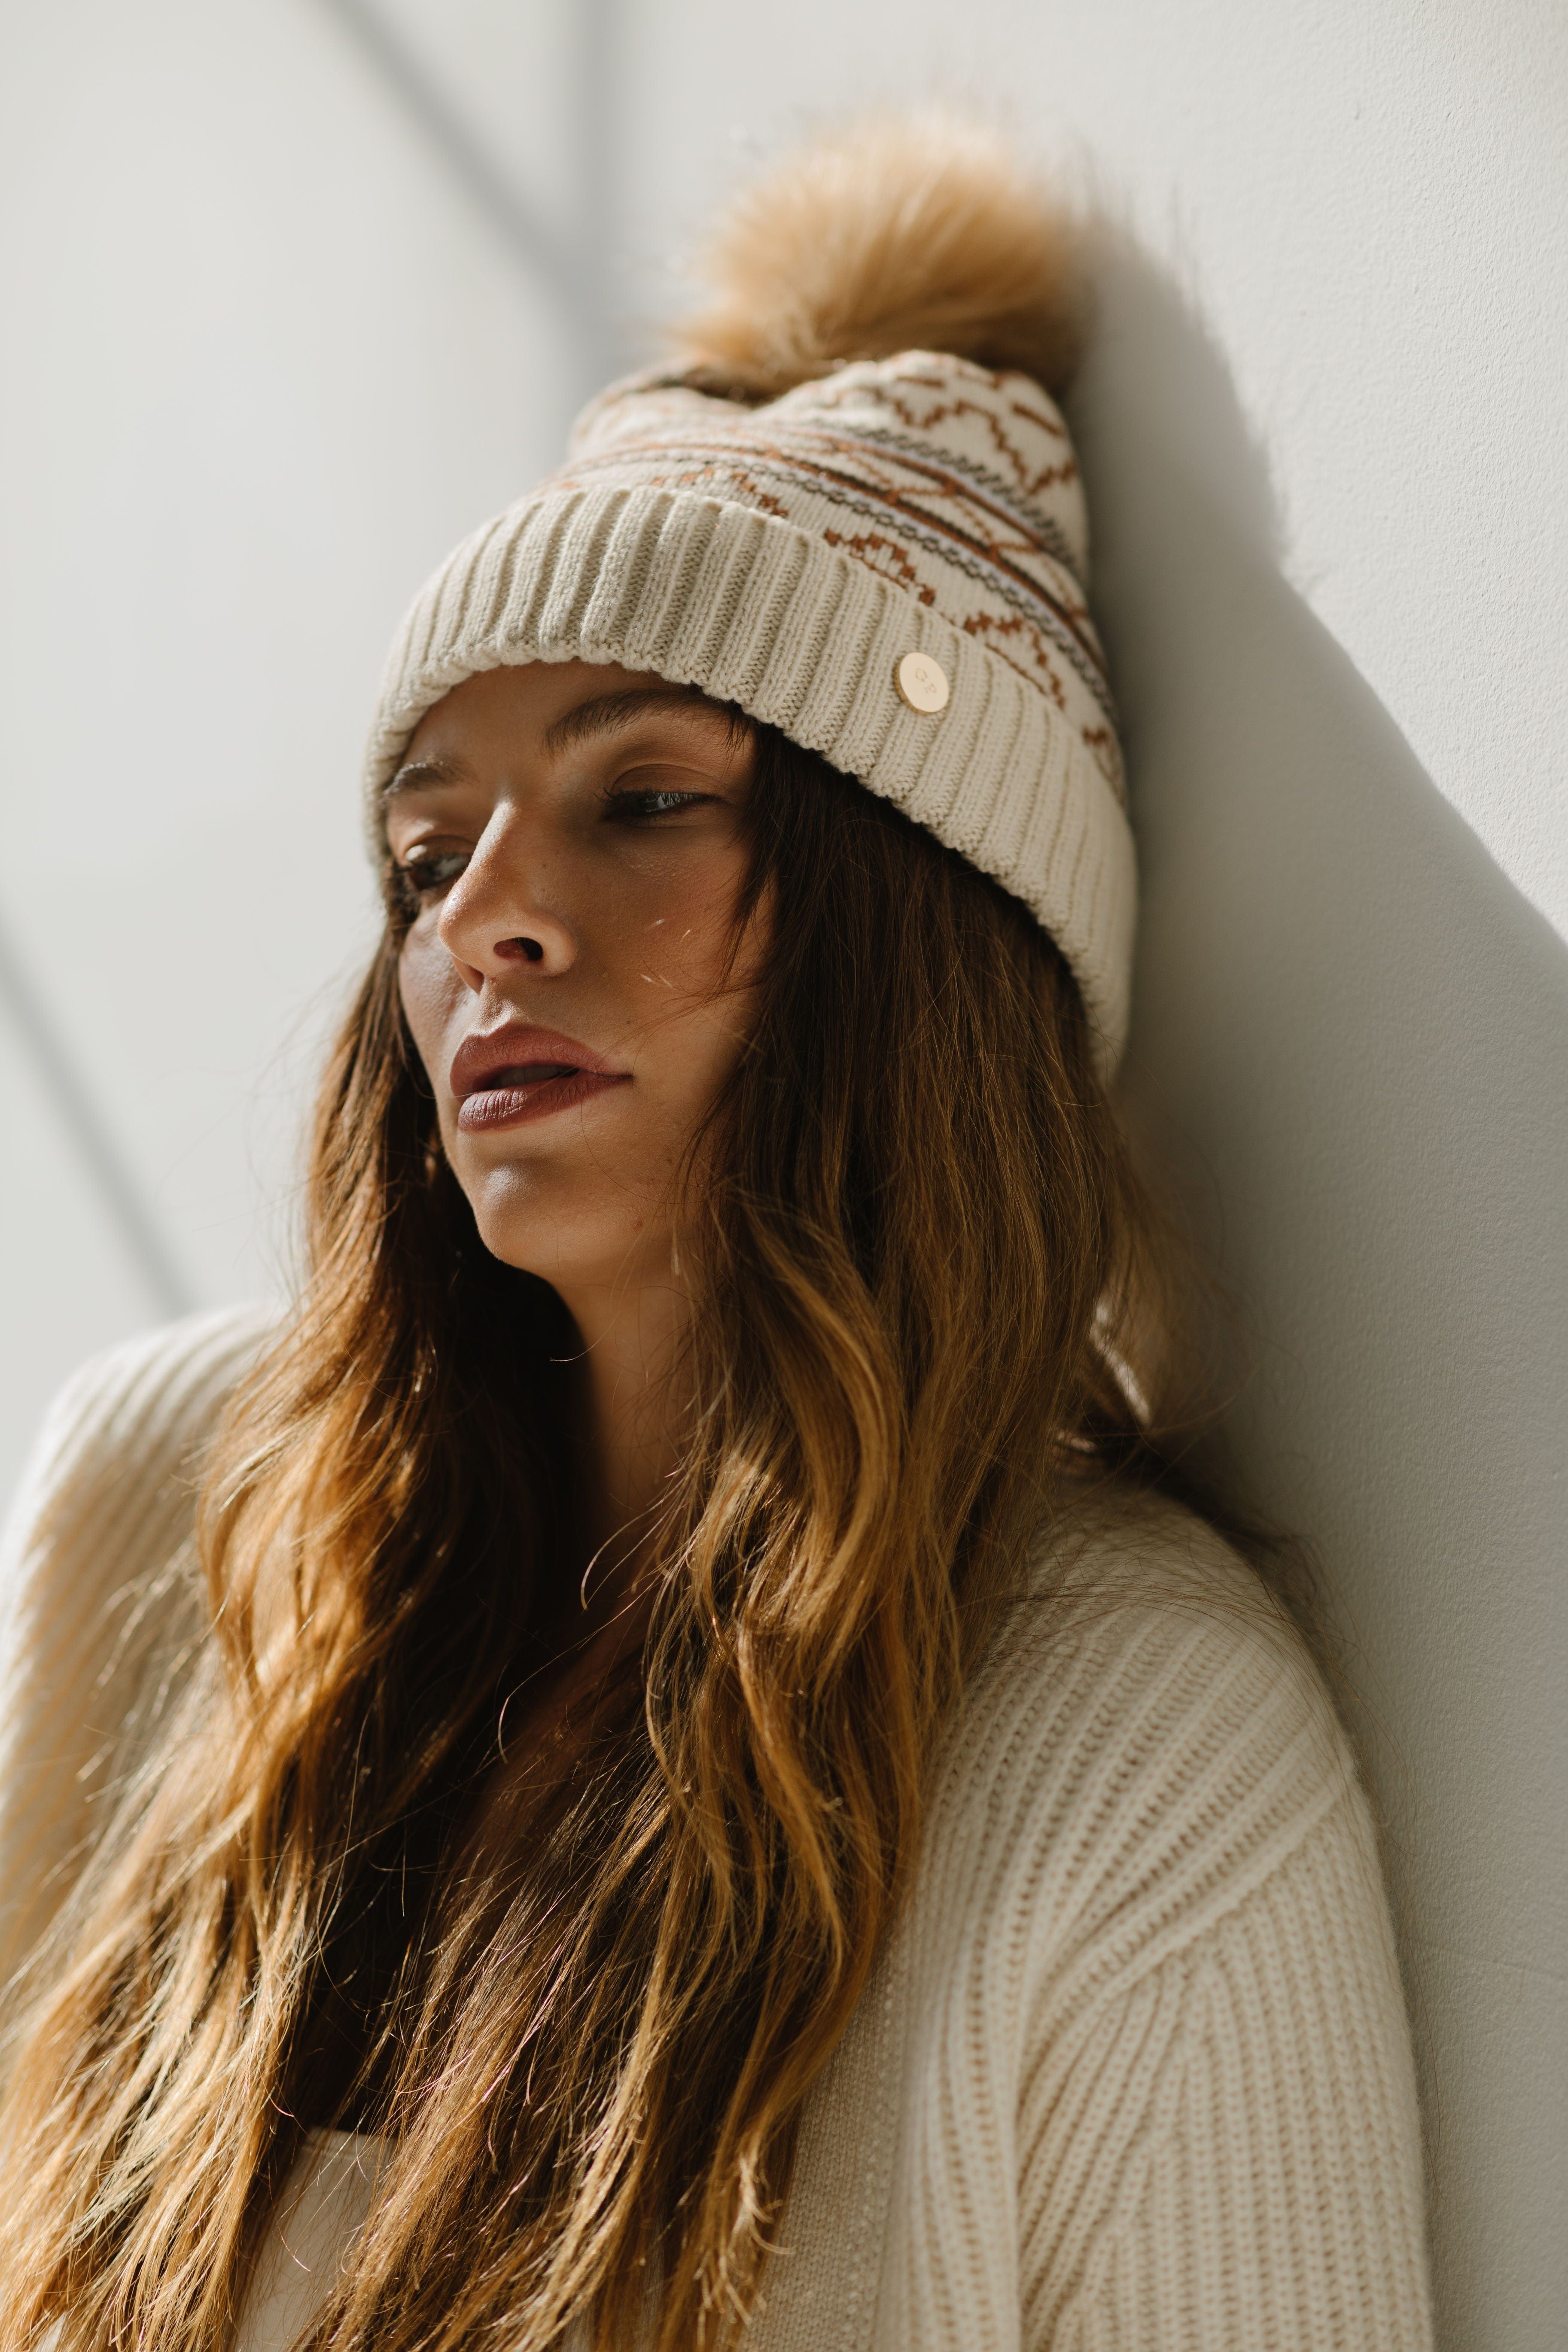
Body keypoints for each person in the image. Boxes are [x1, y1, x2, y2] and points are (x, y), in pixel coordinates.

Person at [0, 117, 1431, 2352]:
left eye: (640, 797)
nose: (486, 920)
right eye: (423, 851)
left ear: (915, 921)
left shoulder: (1143, 1754)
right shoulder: (170, 1511)